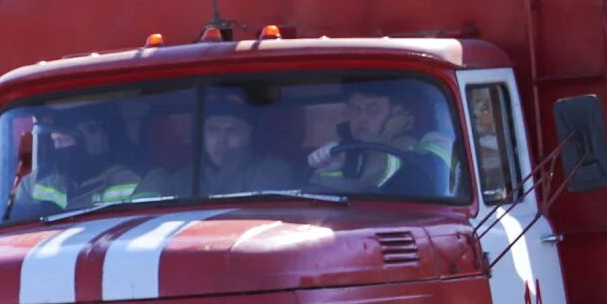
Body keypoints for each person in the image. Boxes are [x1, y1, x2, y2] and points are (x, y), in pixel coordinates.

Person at [307, 81, 455, 195]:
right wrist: (333, 169)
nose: (361, 117)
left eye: (372, 109)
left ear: (396, 112)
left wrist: (375, 148)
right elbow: (322, 205)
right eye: (354, 109)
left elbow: (431, 182)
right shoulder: (341, 152)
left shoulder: (432, 142)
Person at [142, 96, 296, 198]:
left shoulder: (273, 170)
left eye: (231, 130)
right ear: (202, 135)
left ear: (249, 135)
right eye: (213, 130)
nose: (221, 140)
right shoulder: (183, 178)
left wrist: (232, 164)